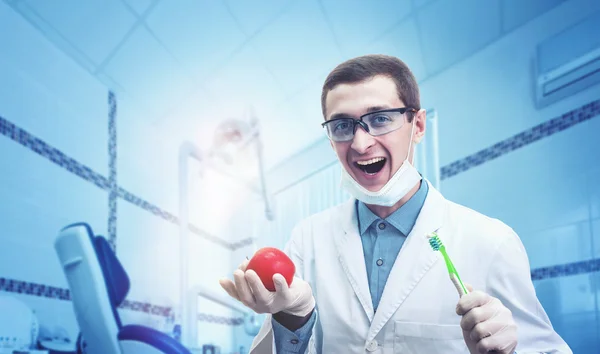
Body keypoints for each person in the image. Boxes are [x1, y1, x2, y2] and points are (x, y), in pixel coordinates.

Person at [219, 55, 572, 353]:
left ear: (417, 125)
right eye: (343, 125)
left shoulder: (491, 241)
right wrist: (293, 316)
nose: (360, 143)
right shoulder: (307, 238)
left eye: (380, 119)